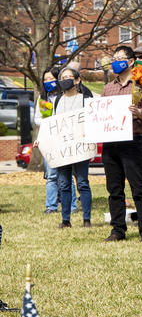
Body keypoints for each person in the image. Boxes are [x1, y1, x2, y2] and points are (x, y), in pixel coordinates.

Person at [101, 46, 142, 242]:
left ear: (131, 61)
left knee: (138, 188)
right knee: (114, 189)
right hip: (110, 144)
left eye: (120, 58)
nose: (116, 61)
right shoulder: (108, 88)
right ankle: (117, 230)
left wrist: (140, 114)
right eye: (114, 58)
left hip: (132, 141)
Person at [52, 66, 94, 228]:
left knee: (82, 182)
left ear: (77, 80)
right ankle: (65, 220)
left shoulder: (85, 98)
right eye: (62, 78)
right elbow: (52, 125)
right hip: (63, 148)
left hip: (80, 147)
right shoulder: (56, 100)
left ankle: (86, 219)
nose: (65, 80)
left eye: (69, 77)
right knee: (63, 184)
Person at [35, 67, 78, 215]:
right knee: (51, 175)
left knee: (66, 175)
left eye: (51, 79)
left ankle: (72, 205)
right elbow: (37, 119)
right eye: (45, 79)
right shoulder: (42, 99)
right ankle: (51, 206)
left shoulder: (65, 97)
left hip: (64, 140)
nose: (48, 82)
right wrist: (49, 122)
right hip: (49, 140)